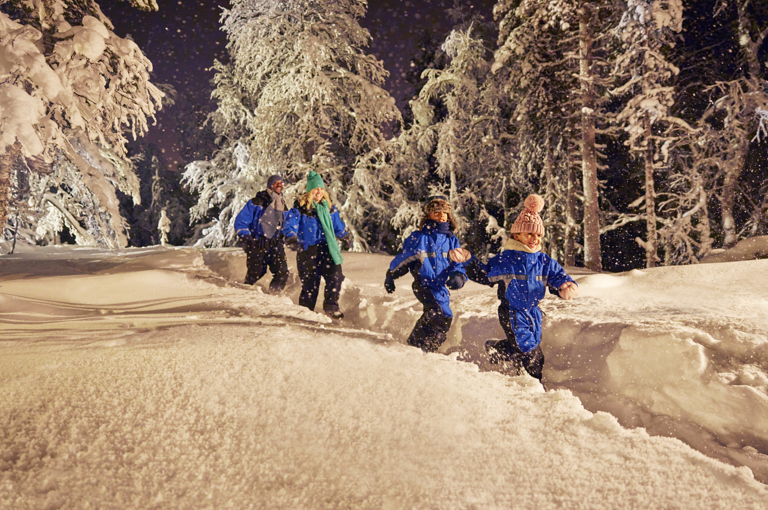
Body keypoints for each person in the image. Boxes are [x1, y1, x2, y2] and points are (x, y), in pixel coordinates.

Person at [451, 194, 578, 382]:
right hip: (512, 311)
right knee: (530, 352)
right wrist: (468, 261)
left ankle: (497, 350)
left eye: (538, 235)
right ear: (517, 235)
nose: (534, 239)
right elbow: (485, 275)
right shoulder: (506, 260)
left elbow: (558, 276)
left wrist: (565, 286)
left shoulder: (544, 261)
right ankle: (533, 387)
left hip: (533, 312)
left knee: (527, 348)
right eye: (529, 234)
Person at [384, 196, 468, 353]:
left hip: (440, 288)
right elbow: (405, 259)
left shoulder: (451, 240)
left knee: (445, 318)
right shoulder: (419, 238)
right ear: (428, 215)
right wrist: (391, 275)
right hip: (423, 283)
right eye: (436, 212)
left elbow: (458, 262)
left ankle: (428, 347)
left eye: (444, 212)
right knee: (436, 312)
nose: (441, 215)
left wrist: (459, 275)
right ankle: (416, 344)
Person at [283, 171, 348, 319]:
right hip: (307, 250)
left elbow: (337, 225)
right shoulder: (300, 208)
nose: (318, 191)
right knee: (310, 286)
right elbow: (290, 224)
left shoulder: (329, 208)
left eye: (320, 188)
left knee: (335, 276)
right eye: (315, 188)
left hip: (327, 248)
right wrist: (291, 237)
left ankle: (331, 306)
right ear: (309, 191)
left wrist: (344, 235)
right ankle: (305, 314)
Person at [233, 174, 290, 293]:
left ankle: (274, 295)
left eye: (281, 183)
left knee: (282, 272)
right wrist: (245, 236)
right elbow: (241, 220)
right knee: (256, 271)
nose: (280, 186)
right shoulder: (256, 202)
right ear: (270, 185)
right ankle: (243, 292)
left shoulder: (282, 204)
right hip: (258, 242)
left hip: (275, 242)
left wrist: (288, 236)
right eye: (276, 183)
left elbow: (287, 223)